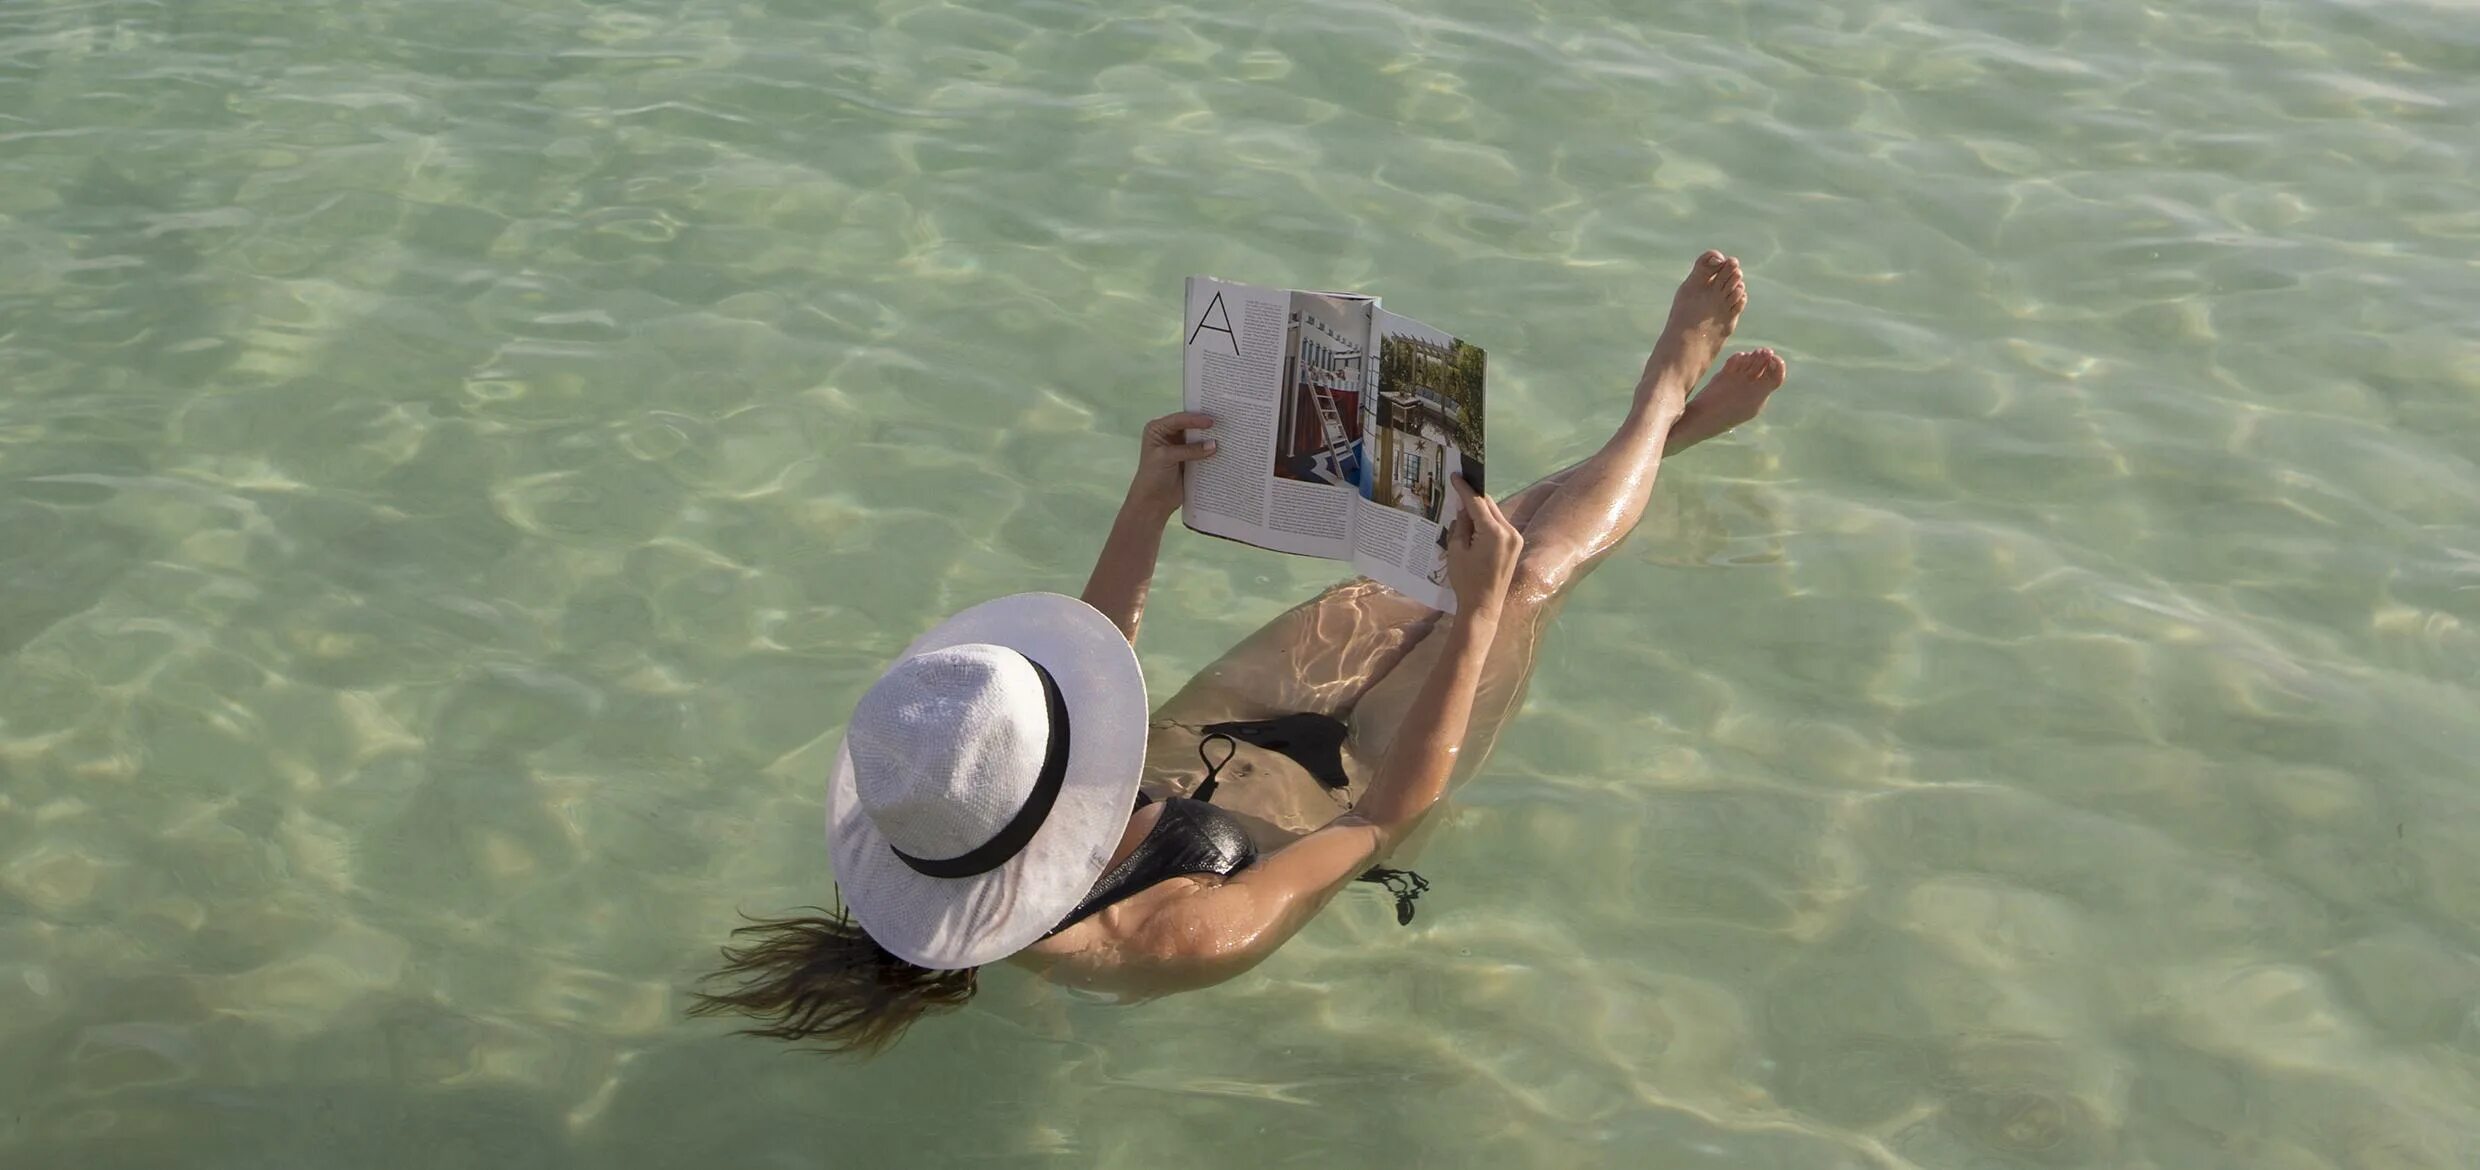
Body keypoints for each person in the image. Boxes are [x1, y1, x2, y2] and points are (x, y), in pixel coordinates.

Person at [689, 251, 1788, 1053]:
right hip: (1358, 782)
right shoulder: (1172, 937)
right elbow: (1379, 822)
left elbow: (1094, 667)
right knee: (1523, 581)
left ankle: (1644, 448)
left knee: (1418, 563)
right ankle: (1657, 402)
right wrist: (1479, 621)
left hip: (1209, 740)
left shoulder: (948, 792)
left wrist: (1144, 507)